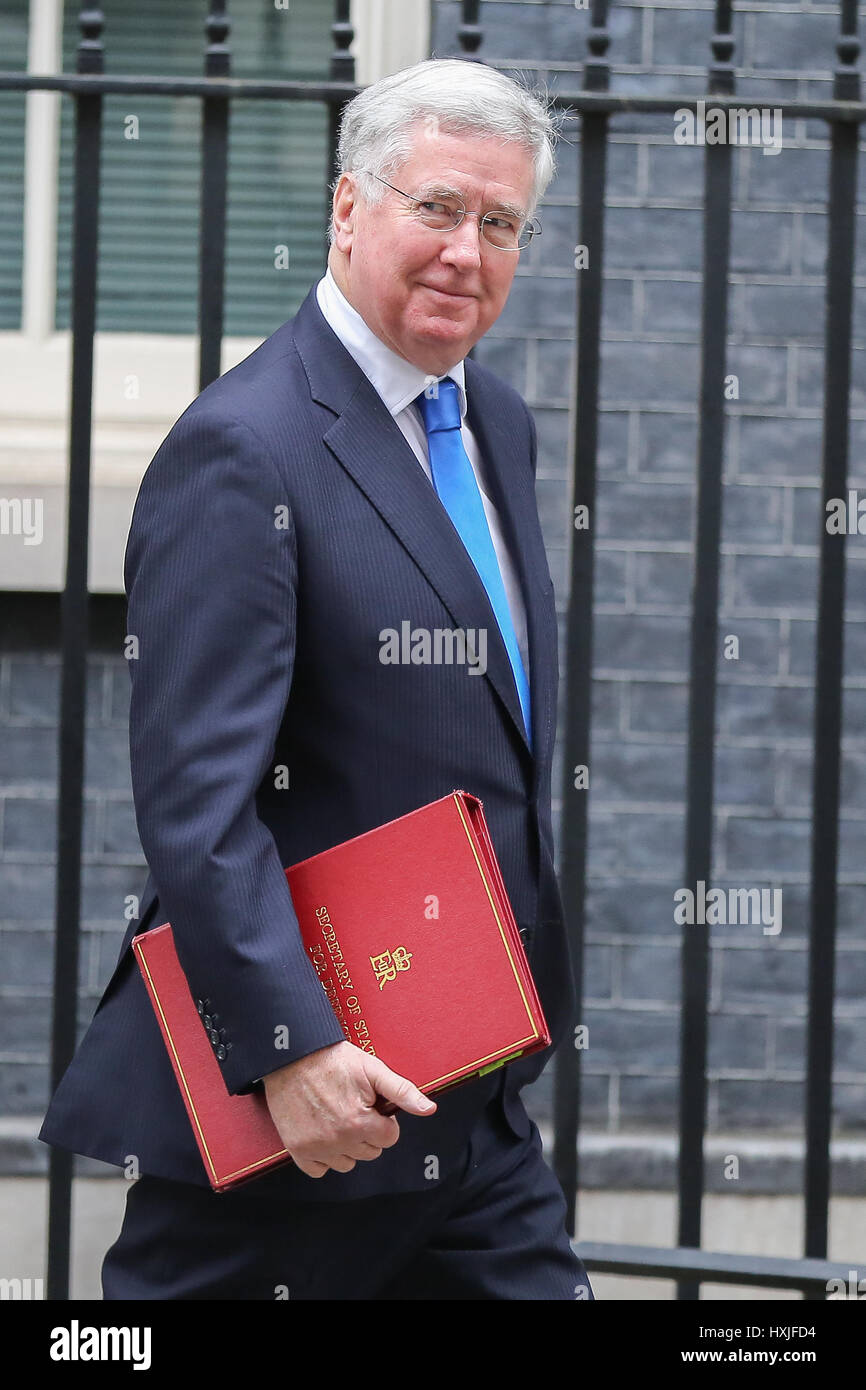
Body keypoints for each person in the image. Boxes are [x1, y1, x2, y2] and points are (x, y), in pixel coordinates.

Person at [39, 57, 594, 1302]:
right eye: (437, 207)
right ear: (348, 208)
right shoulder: (244, 447)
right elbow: (197, 798)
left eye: (499, 223)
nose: (467, 249)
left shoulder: (492, 418)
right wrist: (288, 1051)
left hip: (473, 1084)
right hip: (309, 1109)